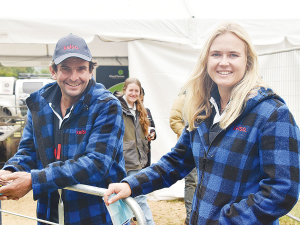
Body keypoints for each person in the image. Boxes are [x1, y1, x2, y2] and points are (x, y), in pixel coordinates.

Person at [104, 22, 300, 225]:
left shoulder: (272, 114)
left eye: (233, 55)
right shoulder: (202, 110)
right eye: (216, 54)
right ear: (206, 61)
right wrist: (131, 184)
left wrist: (225, 221)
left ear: (248, 62)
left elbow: (282, 191)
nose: (224, 62)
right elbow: (177, 161)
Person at [0, 34, 127, 225]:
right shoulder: (38, 103)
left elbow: (96, 163)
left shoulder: (106, 105)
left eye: (81, 69)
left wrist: (34, 180)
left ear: (91, 70)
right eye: (65, 69)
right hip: (50, 214)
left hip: (95, 214)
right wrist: (10, 172)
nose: (74, 77)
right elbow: (29, 152)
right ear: (53, 71)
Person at [113, 78, 155, 225]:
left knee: (136, 195)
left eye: (136, 91)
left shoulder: (141, 109)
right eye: (131, 90)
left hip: (139, 160)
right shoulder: (115, 107)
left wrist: (150, 134)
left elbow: (149, 128)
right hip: (124, 160)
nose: (133, 93)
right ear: (124, 89)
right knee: (137, 196)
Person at [170, 93, 197, 225]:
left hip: (206, 150)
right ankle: (190, 217)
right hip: (189, 149)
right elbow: (174, 120)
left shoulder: (207, 98)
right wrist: (189, 136)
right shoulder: (182, 99)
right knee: (191, 182)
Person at [140, 87, 156, 168]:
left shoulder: (147, 110)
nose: (141, 103)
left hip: (146, 149)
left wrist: (152, 133)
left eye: (142, 100)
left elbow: (152, 126)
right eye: (139, 100)